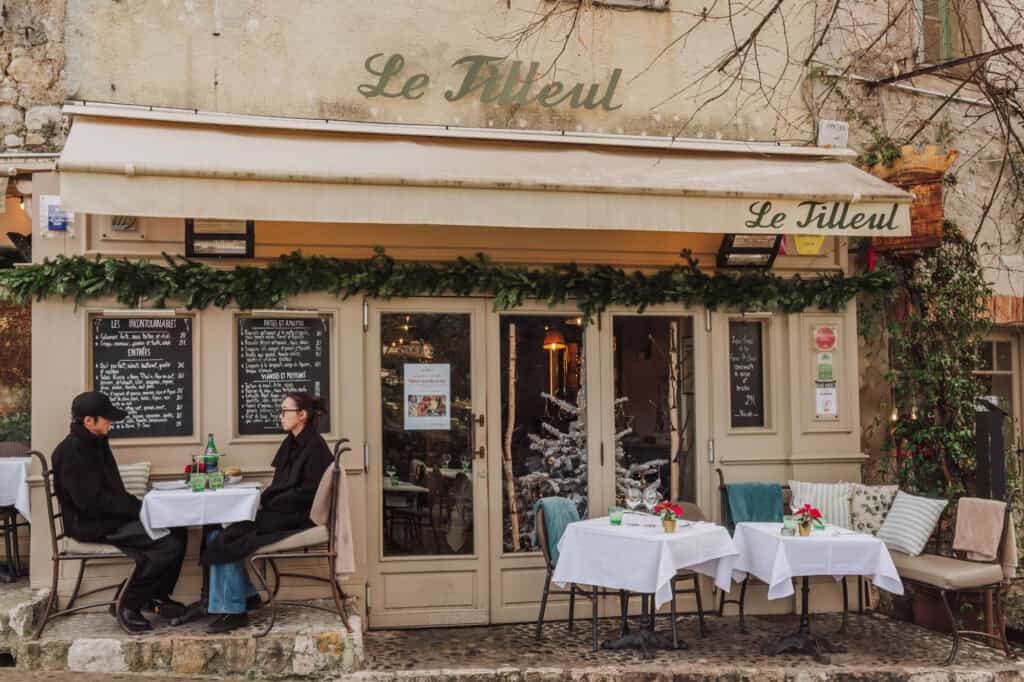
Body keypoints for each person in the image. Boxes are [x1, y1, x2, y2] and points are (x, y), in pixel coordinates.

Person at [51, 391, 187, 632]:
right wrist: (137, 511)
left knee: (178, 528)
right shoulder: (71, 452)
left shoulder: (96, 442)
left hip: (110, 519)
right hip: (91, 525)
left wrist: (141, 509)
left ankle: (155, 595)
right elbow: (91, 504)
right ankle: (128, 603)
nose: (110, 423)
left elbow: (113, 492)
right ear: (88, 421)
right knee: (168, 543)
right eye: (106, 418)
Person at [201, 391, 333, 633]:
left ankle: (234, 611)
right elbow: (282, 485)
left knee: (229, 536)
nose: (280, 416)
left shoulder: (316, 447)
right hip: (282, 512)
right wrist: (266, 500)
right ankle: (245, 595)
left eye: (285, 411)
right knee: (215, 531)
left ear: (302, 415)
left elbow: (306, 496)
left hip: (298, 518)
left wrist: (267, 502)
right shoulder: (292, 442)